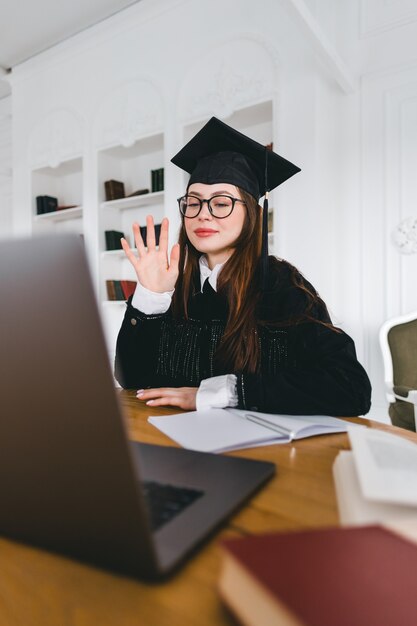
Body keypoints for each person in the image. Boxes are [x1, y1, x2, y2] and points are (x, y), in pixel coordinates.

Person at [115, 117, 371, 416]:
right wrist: (150, 298)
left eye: (221, 203)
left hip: (263, 447)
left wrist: (221, 393)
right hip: (176, 441)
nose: (203, 215)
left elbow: (350, 387)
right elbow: (131, 379)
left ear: (250, 213)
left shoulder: (280, 285)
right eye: (193, 202)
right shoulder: (171, 286)